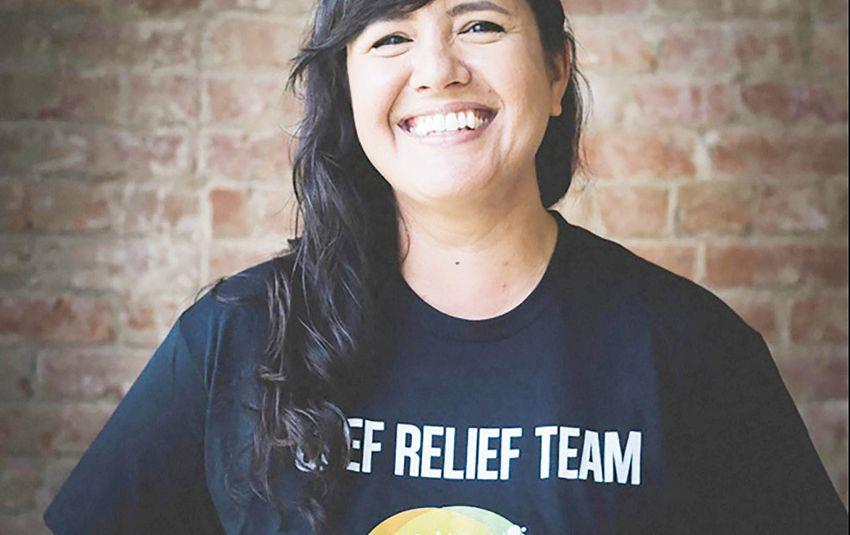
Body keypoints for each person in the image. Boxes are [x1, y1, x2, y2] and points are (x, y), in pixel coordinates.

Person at [43, 0, 848, 533]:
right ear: (347, 87)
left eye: (481, 24)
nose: (437, 70)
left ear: (557, 70)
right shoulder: (235, 339)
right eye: (390, 37)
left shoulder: (693, 349)